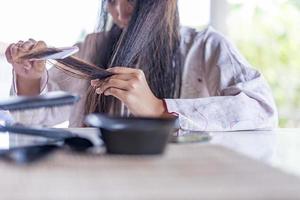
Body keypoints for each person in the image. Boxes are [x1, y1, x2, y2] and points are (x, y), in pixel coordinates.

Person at [5, 0, 278, 132]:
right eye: (111, 1)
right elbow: (32, 119)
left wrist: (159, 108)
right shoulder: (92, 46)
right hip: (95, 183)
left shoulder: (207, 46)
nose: (120, 13)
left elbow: (262, 109)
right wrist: (29, 78)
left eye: (133, 0)